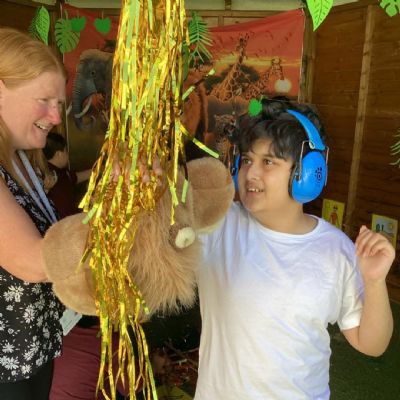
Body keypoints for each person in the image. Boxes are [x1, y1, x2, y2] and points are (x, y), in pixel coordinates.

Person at [194, 99, 394, 399]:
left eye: (268, 162)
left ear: (307, 172)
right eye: (246, 160)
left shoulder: (336, 250)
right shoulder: (217, 225)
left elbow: (371, 344)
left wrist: (375, 282)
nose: (251, 173)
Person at [0, 27, 67, 399]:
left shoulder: (21, 161)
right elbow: (34, 262)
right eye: (44, 100)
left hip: (32, 355)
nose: (55, 116)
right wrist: (117, 210)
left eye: (59, 103)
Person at [43, 131, 91, 218]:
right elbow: (66, 211)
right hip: (70, 221)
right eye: (65, 151)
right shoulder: (51, 177)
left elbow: (75, 177)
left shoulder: (61, 171)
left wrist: (99, 170)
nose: (68, 154)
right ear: (58, 154)